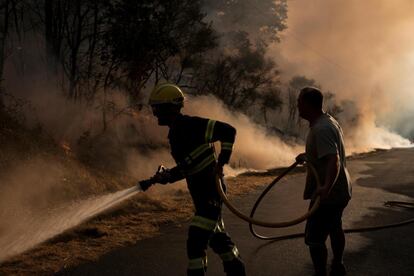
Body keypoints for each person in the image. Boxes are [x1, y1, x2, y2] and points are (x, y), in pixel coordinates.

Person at [139, 83, 246, 276]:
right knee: (218, 240)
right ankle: (237, 269)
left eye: (157, 108)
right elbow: (189, 167)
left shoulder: (190, 125)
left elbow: (229, 131)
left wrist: (222, 162)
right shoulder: (176, 132)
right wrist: (168, 176)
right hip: (202, 193)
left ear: (170, 107)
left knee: (196, 241)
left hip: (211, 193)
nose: (155, 113)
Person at [296, 87, 352, 276]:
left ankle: (321, 273)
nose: (297, 106)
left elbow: (333, 159)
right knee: (335, 226)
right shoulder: (328, 121)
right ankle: (338, 265)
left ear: (308, 104)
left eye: (299, 102)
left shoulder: (322, 128)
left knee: (314, 238)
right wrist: (308, 156)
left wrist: (326, 187)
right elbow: (326, 153)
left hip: (329, 193)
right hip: (340, 189)